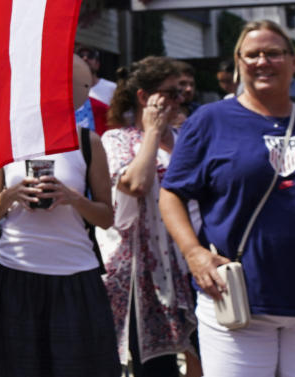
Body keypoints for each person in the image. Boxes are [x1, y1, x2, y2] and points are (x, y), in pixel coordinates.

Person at [160, 20, 295, 376]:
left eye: (273, 53)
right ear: (238, 63)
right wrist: (194, 253)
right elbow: (172, 193)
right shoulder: (209, 121)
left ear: (293, 62)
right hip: (236, 301)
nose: (263, 61)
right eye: (252, 54)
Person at [0, 55, 119, 377]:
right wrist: (13, 194)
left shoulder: (88, 142)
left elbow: (107, 217)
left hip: (75, 274)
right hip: (15, 271)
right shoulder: (4, 139)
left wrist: (72, 198)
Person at [99, 56, 195, 376]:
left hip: (189, 263)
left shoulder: (186, 138)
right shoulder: (117, 140)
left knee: (207, 357)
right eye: (170, 92)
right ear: (144, 97)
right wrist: (152, 132)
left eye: (181, 92)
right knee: (157, 368)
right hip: (142, 276)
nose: (178, 100)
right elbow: (136, 184)